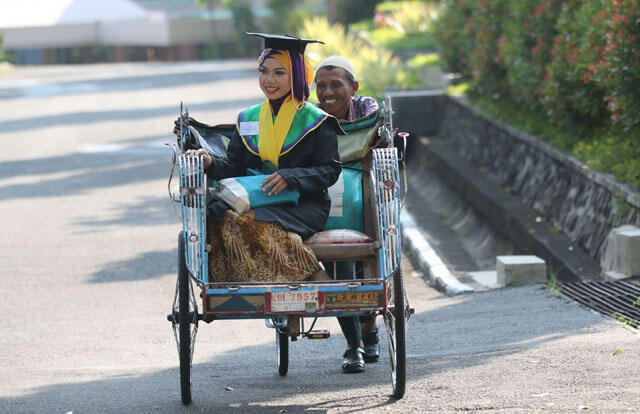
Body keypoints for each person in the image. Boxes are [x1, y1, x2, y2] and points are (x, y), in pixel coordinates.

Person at [185, 33, 342, 284]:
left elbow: (329, 171)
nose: (269, 80)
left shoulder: (316, 121)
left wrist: (291, 177)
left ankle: (316, 276)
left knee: (247, 222)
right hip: (258, 197)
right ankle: (273, 284)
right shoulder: (248, 118)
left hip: (304, 204)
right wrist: (210, 162)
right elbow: (235, 166)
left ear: (298, 76)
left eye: (280, 73)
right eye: (263, 71)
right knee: (217, 217)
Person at [314, 55, 381, 373]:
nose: (328, 92)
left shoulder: (368, 111)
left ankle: (369, 331)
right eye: (321, 85)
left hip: (361, 191)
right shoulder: (309, 117)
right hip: (324, 198)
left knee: (365, 269)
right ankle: (354, 346)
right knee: (340, 267)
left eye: (336, 85)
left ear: (353, 87)